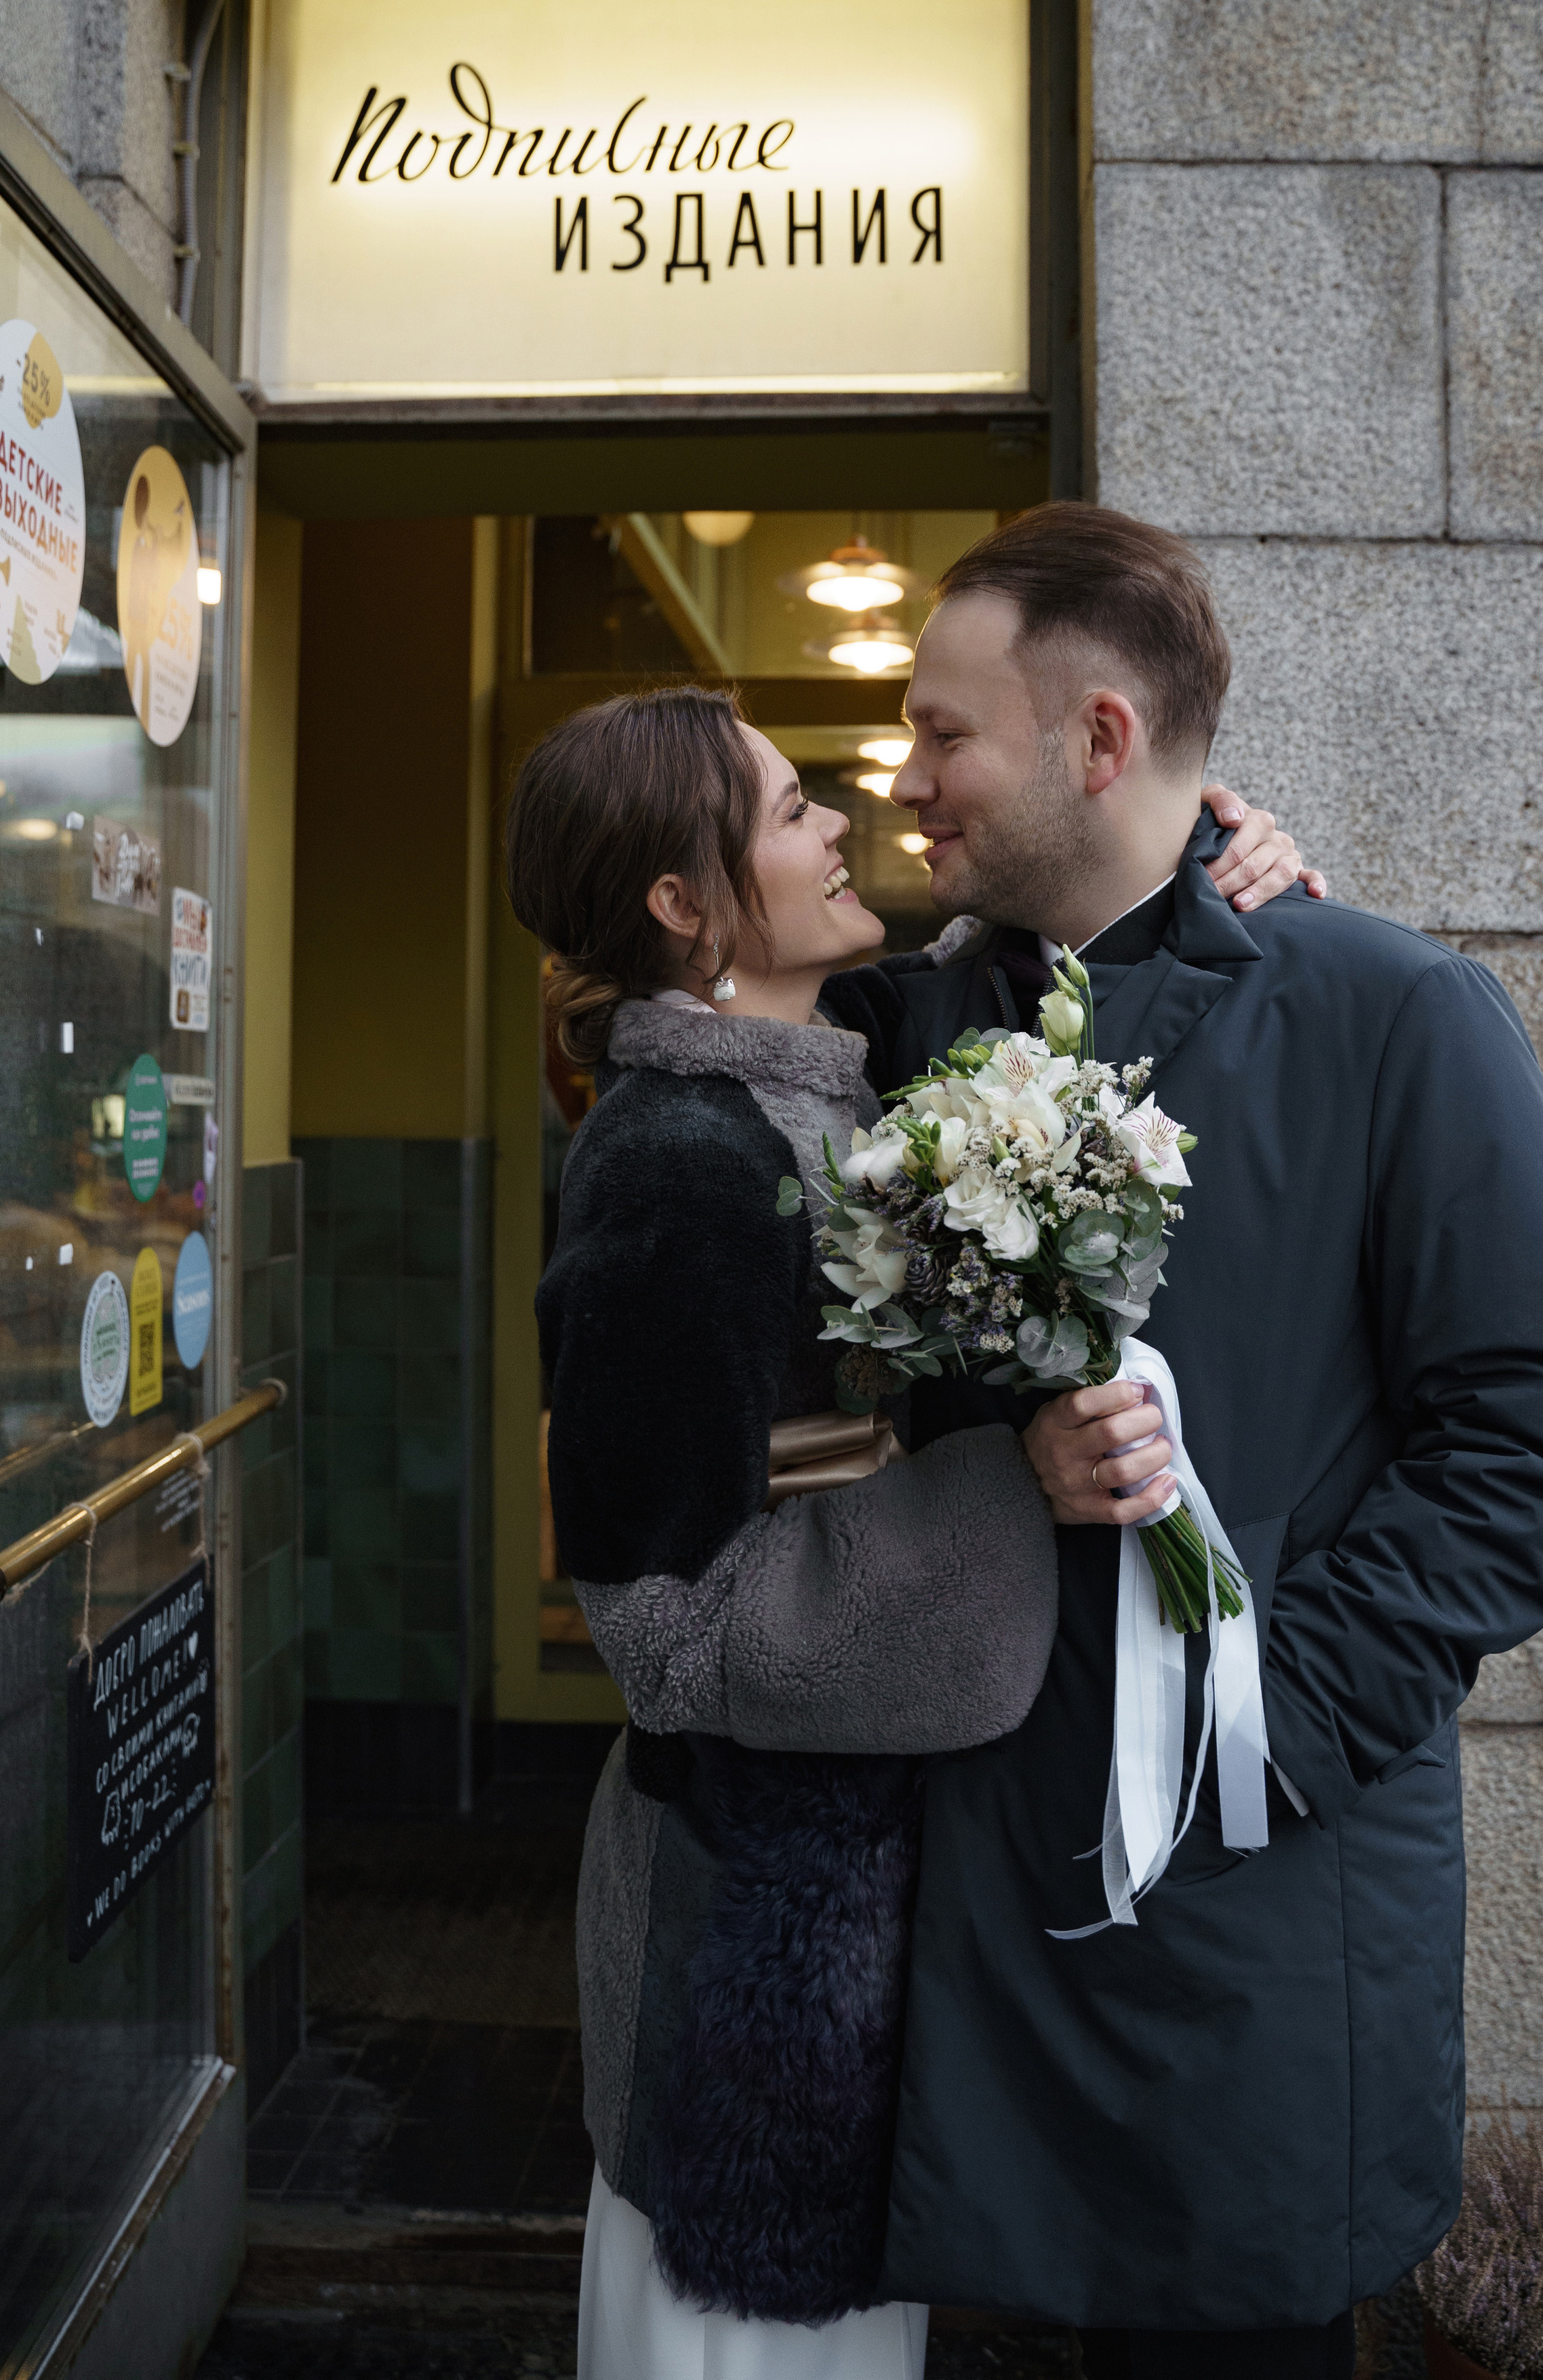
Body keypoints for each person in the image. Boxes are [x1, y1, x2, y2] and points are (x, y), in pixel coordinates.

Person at [816, 502, 1543, 2379]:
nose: (907, 773)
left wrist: (1262, 1722)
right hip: (955, 1916)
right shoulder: (903, 1024)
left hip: (1258, 1921)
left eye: (945, 730)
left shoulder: (1392, 1013)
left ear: (1097, 741)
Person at [505, 685, 1314, 2380]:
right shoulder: (676, 1164)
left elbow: (1012, 951)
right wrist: (1003, 1488)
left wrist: (1211, 854)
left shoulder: (815, 1084)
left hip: (832, 1893)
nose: (838, 828)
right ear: (681, 901)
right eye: (794, 810)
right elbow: (661, 1632)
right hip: (752, 1933)